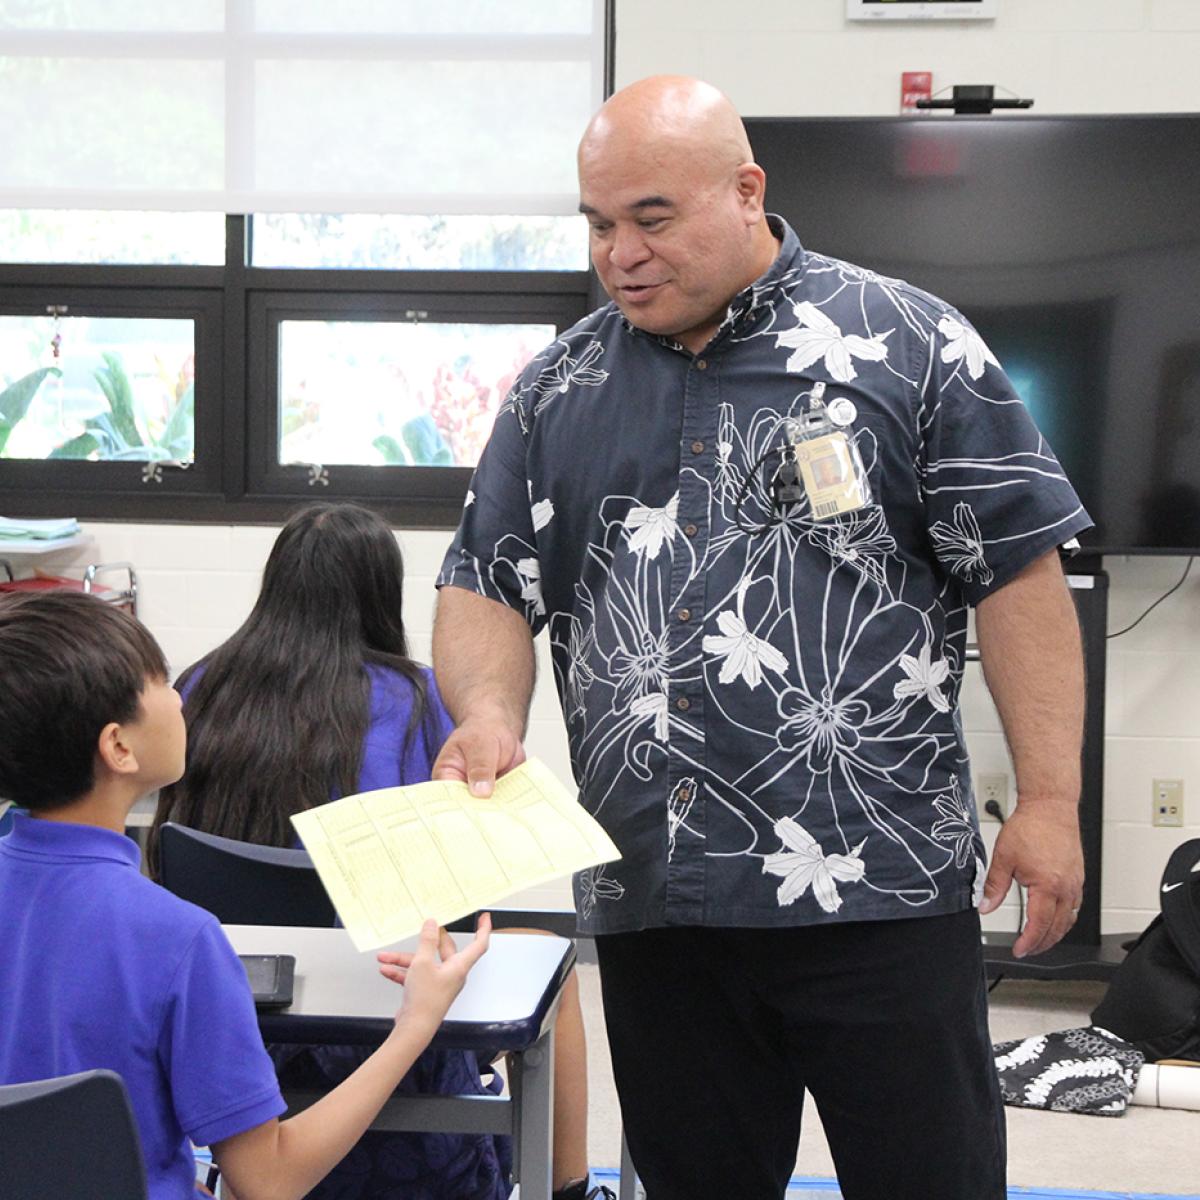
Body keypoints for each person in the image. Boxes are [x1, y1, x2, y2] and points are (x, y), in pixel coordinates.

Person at [431, 76, 1092, 1200]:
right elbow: (488, 582)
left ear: (746, 192)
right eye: (598, 224)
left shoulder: (908, 345)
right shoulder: (558, 389)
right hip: (659, 899)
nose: (620, 254)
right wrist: (491, 715)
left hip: (877, 889)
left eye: (652, 217)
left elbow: (1020, 573)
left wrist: (1049, 803)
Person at [148, 500, 604, 1200]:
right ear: (380, 594)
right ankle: (571, 1190)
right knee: (555, 966)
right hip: (394, 1008)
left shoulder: (201, 689)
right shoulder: (418, 699)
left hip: (243, 1017)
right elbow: (456, 893)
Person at [0, 589, 490, 1200]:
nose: (179, 698)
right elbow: (269, 1180)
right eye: (158, 682)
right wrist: (416, 1025)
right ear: (118, 747)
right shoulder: (178, 939)